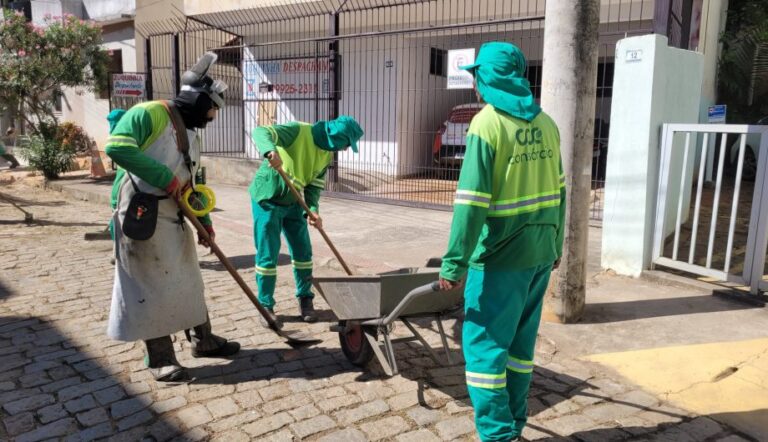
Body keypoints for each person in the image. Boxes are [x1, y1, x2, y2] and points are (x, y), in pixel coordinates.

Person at [437, 42, 566, 442]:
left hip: (499, 259)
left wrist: (454, 264)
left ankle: (497, 435)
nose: (475, 83)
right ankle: (515, 423)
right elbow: (561, 192)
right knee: (520, 349)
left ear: (487, 77)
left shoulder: (487, 125)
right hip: (540, 253)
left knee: (484, 351)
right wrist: (556, 245)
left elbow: (471, 203)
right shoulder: (547, 124)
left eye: (478, 75)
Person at [105, 53, 239, 382]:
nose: (213, 116)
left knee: (188, 278)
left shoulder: (192, 133)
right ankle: (160, 358)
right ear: (198, 100)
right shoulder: (148, 113)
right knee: (150, 285)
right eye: (212, 108)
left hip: (175, 214)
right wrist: (164, 178)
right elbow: (116, 147)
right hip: (142, 212)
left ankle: (203, 340)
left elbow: (192, 183)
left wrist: (205, 222)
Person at [249, 116, 363, 324]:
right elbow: (260, 131)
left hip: (294, 201)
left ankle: (305, 299)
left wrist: (313, 210)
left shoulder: (327, 154)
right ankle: (265, 305)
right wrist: (270, 151)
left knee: (303, 253)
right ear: (337, 137)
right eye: (347, 144)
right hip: (268, 198)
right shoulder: (299, 131)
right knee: (268, 254)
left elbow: (314, 185)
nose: (345, 149)